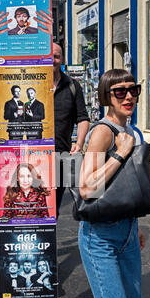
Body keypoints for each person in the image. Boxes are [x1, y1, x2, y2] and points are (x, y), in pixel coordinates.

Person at [78, 69, 145, 298]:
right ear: (106, 96)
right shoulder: (103, 132)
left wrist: (137, 225)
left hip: (128, 232)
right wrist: (120, 153)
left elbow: (127, 186)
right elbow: (87, 187)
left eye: (133, 90)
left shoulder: (130, 129)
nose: (129, 96)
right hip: (100, 239)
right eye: (120, 92)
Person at [53, 43, 90, 217]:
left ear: (62, 60)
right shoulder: (32, 84)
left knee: (55, 207)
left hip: (62, 155)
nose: (52, 60)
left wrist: (79, 142)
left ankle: (50, 243)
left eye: (56, 56)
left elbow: (82, 118)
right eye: (49, 56)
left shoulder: (73, 86)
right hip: (34, 156)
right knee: (36, 207)